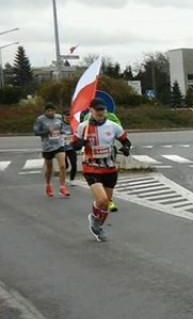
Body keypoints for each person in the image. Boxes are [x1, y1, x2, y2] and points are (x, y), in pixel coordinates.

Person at [72, 98, 131, 242]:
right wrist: (80, 143)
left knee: (106, 202)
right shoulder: (83, 127)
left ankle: (96, 221)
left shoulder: (113, 126)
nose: (100, 113)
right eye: (97, 110)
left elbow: (125, 140)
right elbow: (73, 145)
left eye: (102, 110)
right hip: (91, 167)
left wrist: (126, 148)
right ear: (91, 110)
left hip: (110, 168)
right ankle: (96, 223)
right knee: (102, 199)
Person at [33, 103, 69, 197]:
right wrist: (46, 132)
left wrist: (61, 132)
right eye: (48, 111)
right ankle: (48, 184)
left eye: (52, 110)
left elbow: (62, 127)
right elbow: (36, 132)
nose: (50, 112)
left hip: (59, 144)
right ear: (45, 111)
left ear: (55, 111)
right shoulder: (40, 119)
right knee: (49, 169)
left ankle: (62, 187)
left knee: (62, 166)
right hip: (47, 146)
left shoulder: (59, 117)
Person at [61, 109, 77, 182]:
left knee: (74, 164)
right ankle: (62, 178)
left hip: (71, 147)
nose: (68, 117)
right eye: (67, 115)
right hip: (62, 148)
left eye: (70, 115)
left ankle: (72, 179)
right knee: (65, 165)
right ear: (63, 116)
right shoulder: (60, 124)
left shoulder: (74, 124)